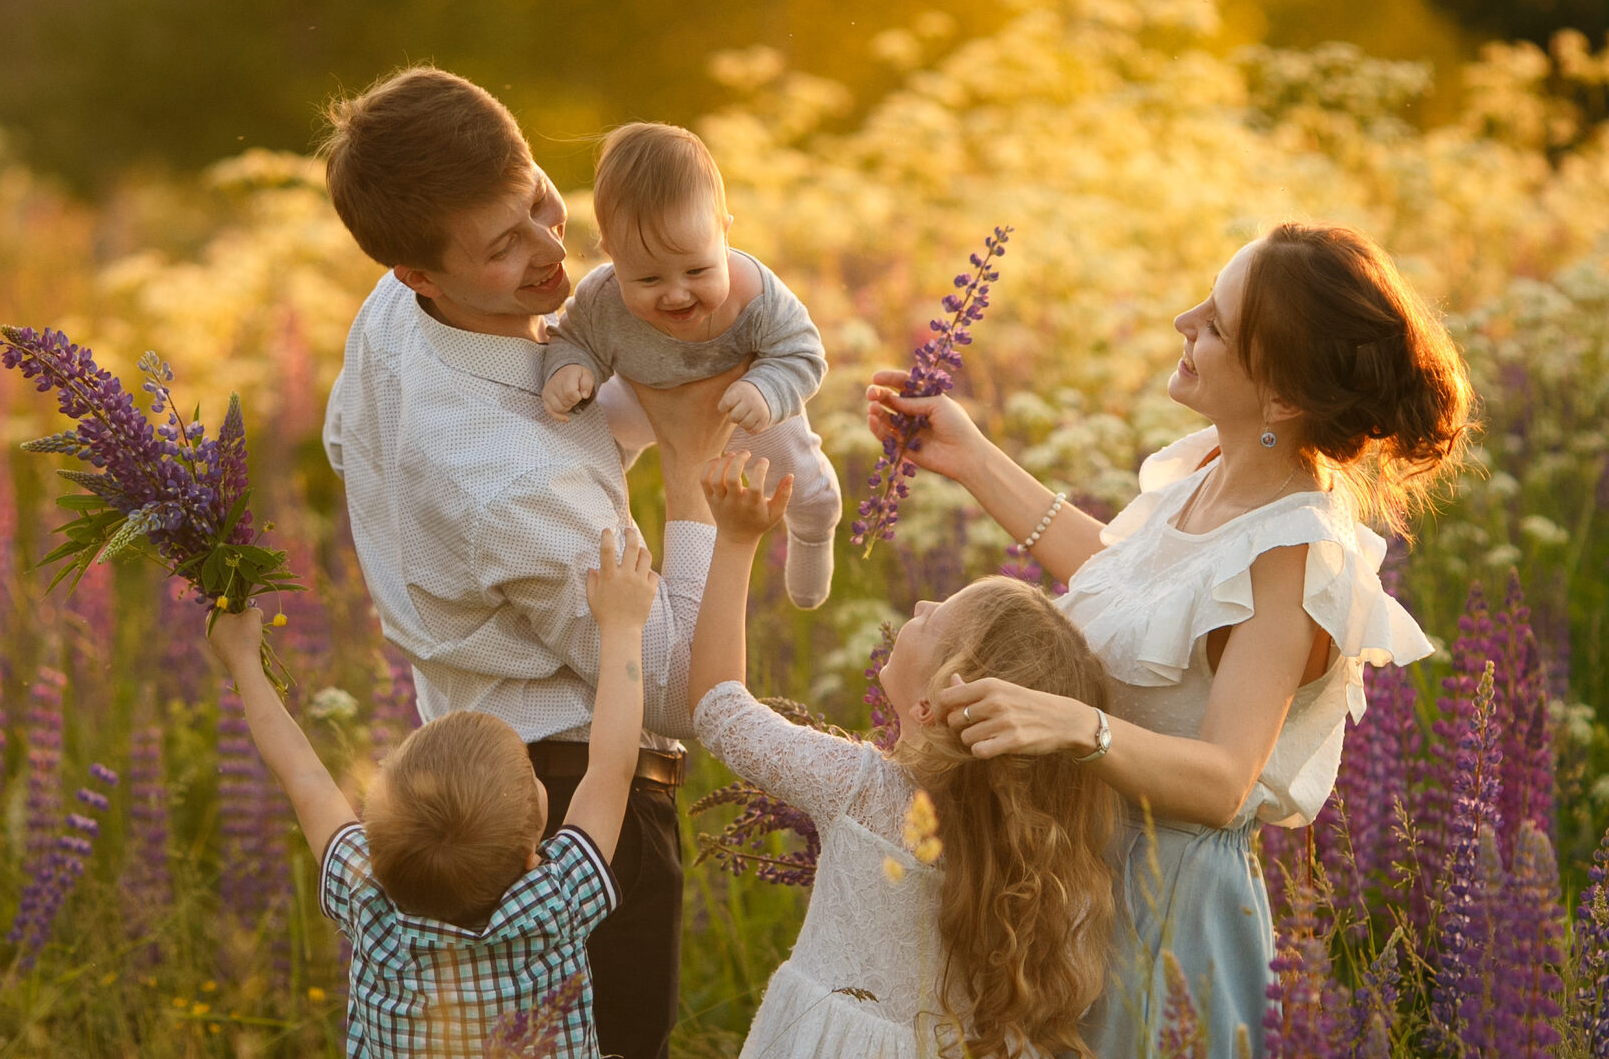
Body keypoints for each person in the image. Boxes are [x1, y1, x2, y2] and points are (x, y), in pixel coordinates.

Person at [867, 223, 1473, 1057]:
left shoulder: (1292, 556)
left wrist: (1077, 727)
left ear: (1282, 399)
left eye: (1217, 324)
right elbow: (1131, 590)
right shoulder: (1209, 471)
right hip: (1083, 873)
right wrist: (972, 461)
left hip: (1168, 907)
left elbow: (1226, 778)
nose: (1185, 322)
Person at [319, 66, 735, 1059]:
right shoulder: (510, 484)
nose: (556, 250)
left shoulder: (391, 310)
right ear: (422, 271)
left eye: (540, 200)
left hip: (451, 769)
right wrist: (690, 467)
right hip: (575, 793)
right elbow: (679, 693)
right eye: (507, 246)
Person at [686, 450, 1118, 1058]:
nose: (917, 608)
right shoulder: (1047, 866)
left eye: (934, 618)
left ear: (928, 707)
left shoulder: (858, 788)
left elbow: (719, 710)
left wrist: (734, 541)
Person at [202, 525, 656, 1057]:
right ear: (533, 851)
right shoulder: (554, 905)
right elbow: (611, 767)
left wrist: (243, 664)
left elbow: (303, 778)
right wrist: (623, 625)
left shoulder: (369, 905)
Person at [541, 121, 843, 609]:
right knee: (582, 432)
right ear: (610, 254)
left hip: (744, 406)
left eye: (697, 270)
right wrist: (570, 368)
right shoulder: (601, 297)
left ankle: (813, 528)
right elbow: (573, 337)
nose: (677, 293)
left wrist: (766, 389)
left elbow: (804, 355)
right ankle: (593, 520)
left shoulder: (755, 294)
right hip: (642, 394)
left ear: (723, 231)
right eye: (648, 278)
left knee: (801, 482)